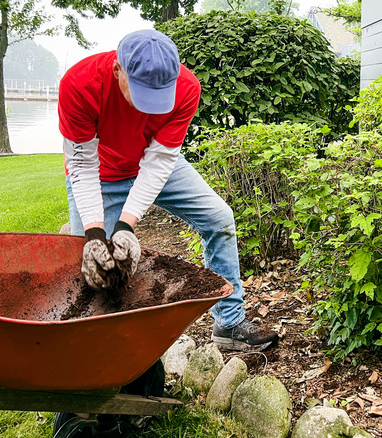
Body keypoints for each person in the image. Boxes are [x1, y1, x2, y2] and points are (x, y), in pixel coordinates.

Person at [59, 29, 278, 352]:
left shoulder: (187, 88)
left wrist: (125, 227)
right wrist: (95, 233)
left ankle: (229, 325)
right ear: (118, 70)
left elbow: (160, 161)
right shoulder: (80, 84)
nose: (151, 107)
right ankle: (89, 353)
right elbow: (81, 165)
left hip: (154, 161)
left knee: (219, 218)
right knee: (91, 265)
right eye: (142, 94)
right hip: (100, 172)